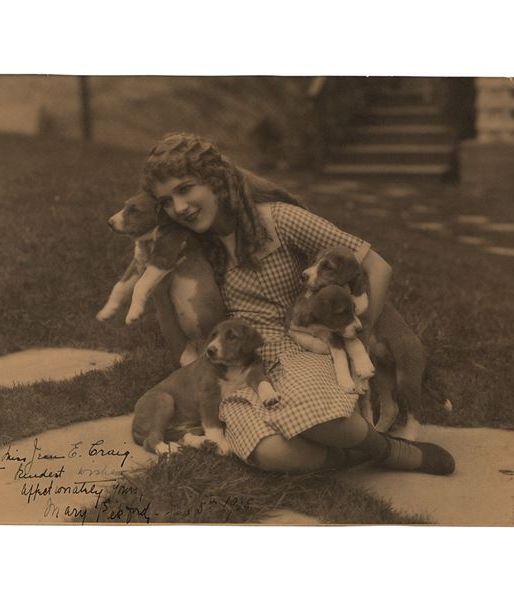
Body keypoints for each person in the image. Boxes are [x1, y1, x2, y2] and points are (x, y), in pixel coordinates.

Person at [142, 132, 455, 476]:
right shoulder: (193, 252)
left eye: (185, 189)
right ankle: (374, 452)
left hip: (305, 348)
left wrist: (359, 342)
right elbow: (187, 348)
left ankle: (394, 452)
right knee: (274, 454)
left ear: (215, 180)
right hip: (248, 366)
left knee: (330, 425)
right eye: (167, 201)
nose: (180, 207)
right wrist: (157, 289)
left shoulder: (279, 220)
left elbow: (377, 267)